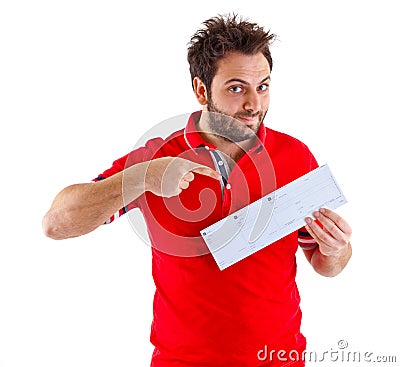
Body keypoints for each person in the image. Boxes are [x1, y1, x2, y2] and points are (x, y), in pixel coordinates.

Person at [43, 14, 352, 367]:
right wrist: (143, 176)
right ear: (202, 90)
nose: (254, 104)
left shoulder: (295, 156)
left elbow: (326, 265)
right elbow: (56, 223)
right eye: (237, 88)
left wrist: (335, 249)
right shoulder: (157, 157)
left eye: (263, 86)